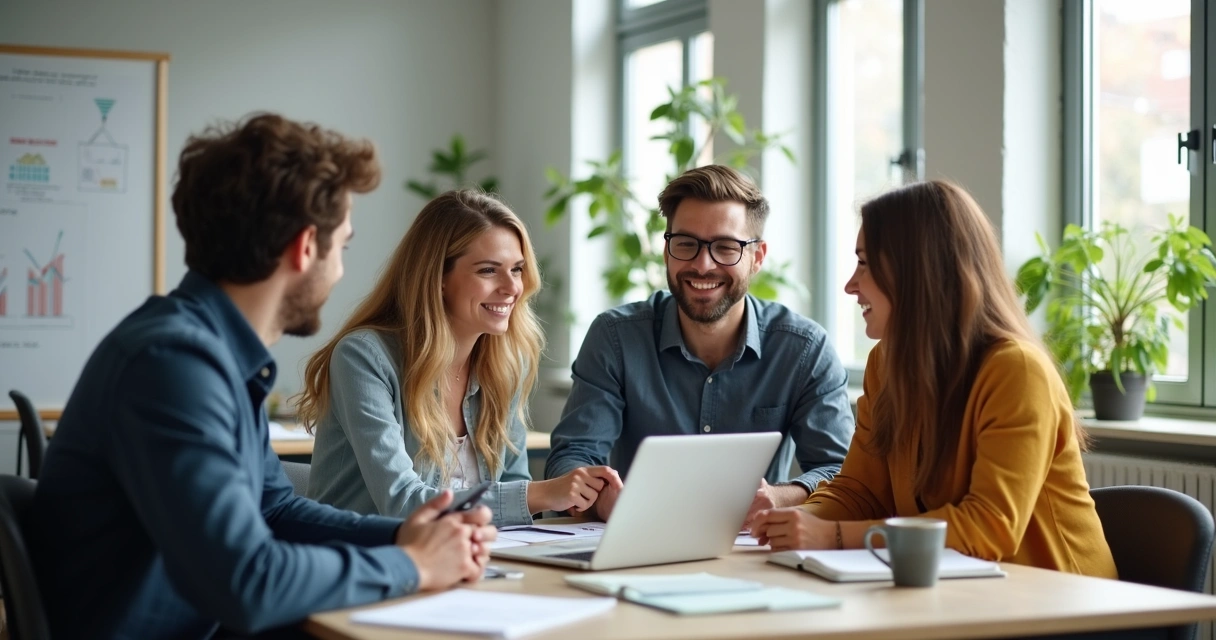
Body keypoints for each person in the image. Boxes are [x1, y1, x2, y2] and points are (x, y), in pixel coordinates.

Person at [30, 113, 496, 640]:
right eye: (342, 247)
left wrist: (405, 536)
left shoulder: (209, 353)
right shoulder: (172, 365)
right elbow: (246, 582)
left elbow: (275, 508)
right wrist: (412, 565)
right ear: (305, 247)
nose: (341, 269)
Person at [750, 180, 1117, 578]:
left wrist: (834, 535)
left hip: (1062, 599)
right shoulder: (885, 364)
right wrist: (795, 520)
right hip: (967, 592)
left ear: (916, 273)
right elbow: (860, 492)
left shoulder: (1018, 371)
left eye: (865, 263)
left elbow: (990, 528)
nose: (851, 285)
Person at [545, 164, 855, 522]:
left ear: (757, 258)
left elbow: (843, 474)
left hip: (754, 544)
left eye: (726, 247)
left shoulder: (804, 349)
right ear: (666, 251)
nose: (703, 265)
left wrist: (779, 498)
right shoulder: (615, 338)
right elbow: (572, 458)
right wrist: (604, 502)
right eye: (686, 244)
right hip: (636, 538)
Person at [298, 190, 621, 527]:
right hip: (362, 553)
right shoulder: (364, 357)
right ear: (438, 278)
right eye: (488, 270)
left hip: (470, 553)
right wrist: (543, 493)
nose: (512, 287)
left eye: (517, 269)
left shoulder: (506, 365)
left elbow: (513, 486)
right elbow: (402, 503)